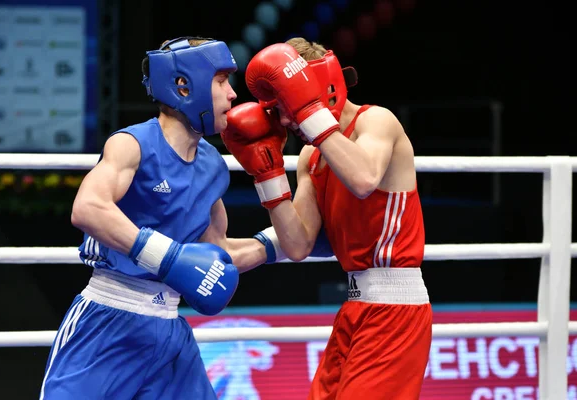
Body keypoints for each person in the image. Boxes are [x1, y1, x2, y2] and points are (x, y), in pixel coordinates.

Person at [39, 37, 270, 400]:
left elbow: (216, 254)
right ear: (184, 84)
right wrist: (166, 257)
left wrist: (277, 244)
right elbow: (88, 207)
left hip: (169, 331)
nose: (233, 95)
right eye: (222, 81)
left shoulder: (212, 165)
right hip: (107, 321)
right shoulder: (133, 144)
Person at [222, 37, 432, 400]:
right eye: (277, 110)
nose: (286, 120)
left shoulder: (377, 121)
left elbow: (364, 179)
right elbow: (298, 244)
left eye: (288, 105)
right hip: (354, 308)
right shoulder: (310, 156)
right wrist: (267, 177)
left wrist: (310, 112)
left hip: (396, 310)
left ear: (318, 90)